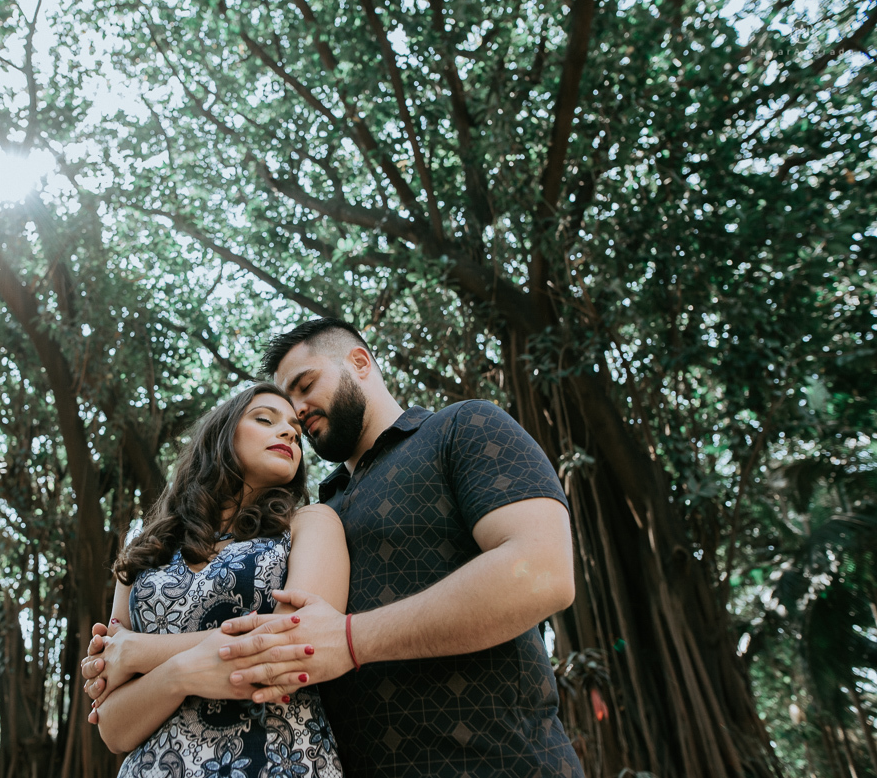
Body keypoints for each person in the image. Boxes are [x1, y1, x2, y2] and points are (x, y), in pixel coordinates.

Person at [90, 318, 583, 777]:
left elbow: (542, 570)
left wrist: (349, 639)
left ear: (360, 363)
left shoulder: (459, 429)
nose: (296, 417)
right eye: (277, 408)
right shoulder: (319, 507)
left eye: (304, 387)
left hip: (497, 760)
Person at [87, 381, 348, 778]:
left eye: (296, 433)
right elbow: (113, 729)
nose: (288, 434)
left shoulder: (310, 524)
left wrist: (137, 652)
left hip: (275, 764)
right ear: (220, 435)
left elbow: (291, 646)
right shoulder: (145, 552)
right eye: (265, 419)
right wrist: (179, 674)